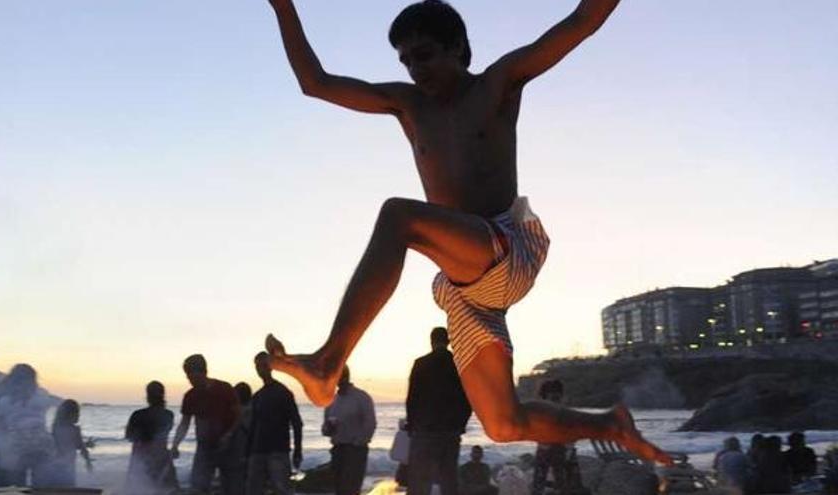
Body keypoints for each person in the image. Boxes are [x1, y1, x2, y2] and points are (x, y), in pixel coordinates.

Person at [263, 0, 670, 465]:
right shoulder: (407, 105)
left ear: (459, 47)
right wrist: (283, 7)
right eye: (406, 60)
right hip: (466, 288)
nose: (416, 69)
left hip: (505, 249)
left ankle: (327, 362)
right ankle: (608, 424)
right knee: (503, 423)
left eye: (426, 54)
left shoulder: (497, 84)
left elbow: (582, 21)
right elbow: (315, 83)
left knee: (400, 217)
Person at [406, 327, 471, 495]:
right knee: (448, 477)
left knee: (421, 479)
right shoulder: (458, 363)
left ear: (431, 341)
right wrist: (461, 423)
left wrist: (412, 424)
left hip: (425, 429)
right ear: (448, 341)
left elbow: (413, 397)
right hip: (450, 430)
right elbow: (468, 397)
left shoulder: (421, 363)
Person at [170, 354, 243, 495]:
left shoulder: (224, 388)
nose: (189, 380)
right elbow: (184, 423)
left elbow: (239, 416)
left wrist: (229, 435)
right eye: (187, 376)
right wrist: (175, 445)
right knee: (198, 488)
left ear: (203, 372)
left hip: (229, 447)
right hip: (204, 448)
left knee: (232, 488)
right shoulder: (190, 396)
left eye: (191, 375)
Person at [247, 352, 304, 495]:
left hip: (278, 450)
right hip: (258, 450)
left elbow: (296, 422)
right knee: (253, 490)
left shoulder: (283, 392)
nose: (261, 369)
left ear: (270, 367)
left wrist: (298, 450)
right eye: (258, 366)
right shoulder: (258, 396)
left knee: (282, 489)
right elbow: (253, 426)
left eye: (264, 365)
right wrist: (247, 452)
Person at [0, 364, 54, 487]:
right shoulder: (42, 394)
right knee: (41, 483)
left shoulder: (5, 400)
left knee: (18, 483)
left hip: (17, 443)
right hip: (41, 441)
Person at [322, 366, 376, 495]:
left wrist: (358, 443)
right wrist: (328, 428)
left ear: (345, 377)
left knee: (351, 488)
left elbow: (370, 424)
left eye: (338, 377)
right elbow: (325, 429)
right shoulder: (332, 400)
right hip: (337, 449)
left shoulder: (361, 397)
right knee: (339, 488)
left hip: (355, 450)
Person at [125, 381, 179, 495]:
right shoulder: (168, 414)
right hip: (161, 458)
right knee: (169, 490)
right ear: (163, 395)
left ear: (147, 396)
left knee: (139, 489)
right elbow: (163, 434)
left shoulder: (137, 415)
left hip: (140, 458)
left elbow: (129, 436)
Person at [531, 380, 571, 495]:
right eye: (552, 393)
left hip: (553, 448)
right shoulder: (544, 409)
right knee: (555, 481)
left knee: (552, 481)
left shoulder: (559, 410)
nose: (555, 396)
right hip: (550, 448)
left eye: (556, 394)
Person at [49, 399, 94, 487]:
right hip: (68, 464)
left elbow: (64, 443)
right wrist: (88, 461)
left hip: (55, 463)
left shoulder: (55, 427)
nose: (79, 416)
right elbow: (80, 447)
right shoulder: (74, 429)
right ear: (69, 414)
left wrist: (86, 444)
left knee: (56, 487)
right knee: (69, 486)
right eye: (77, 413)